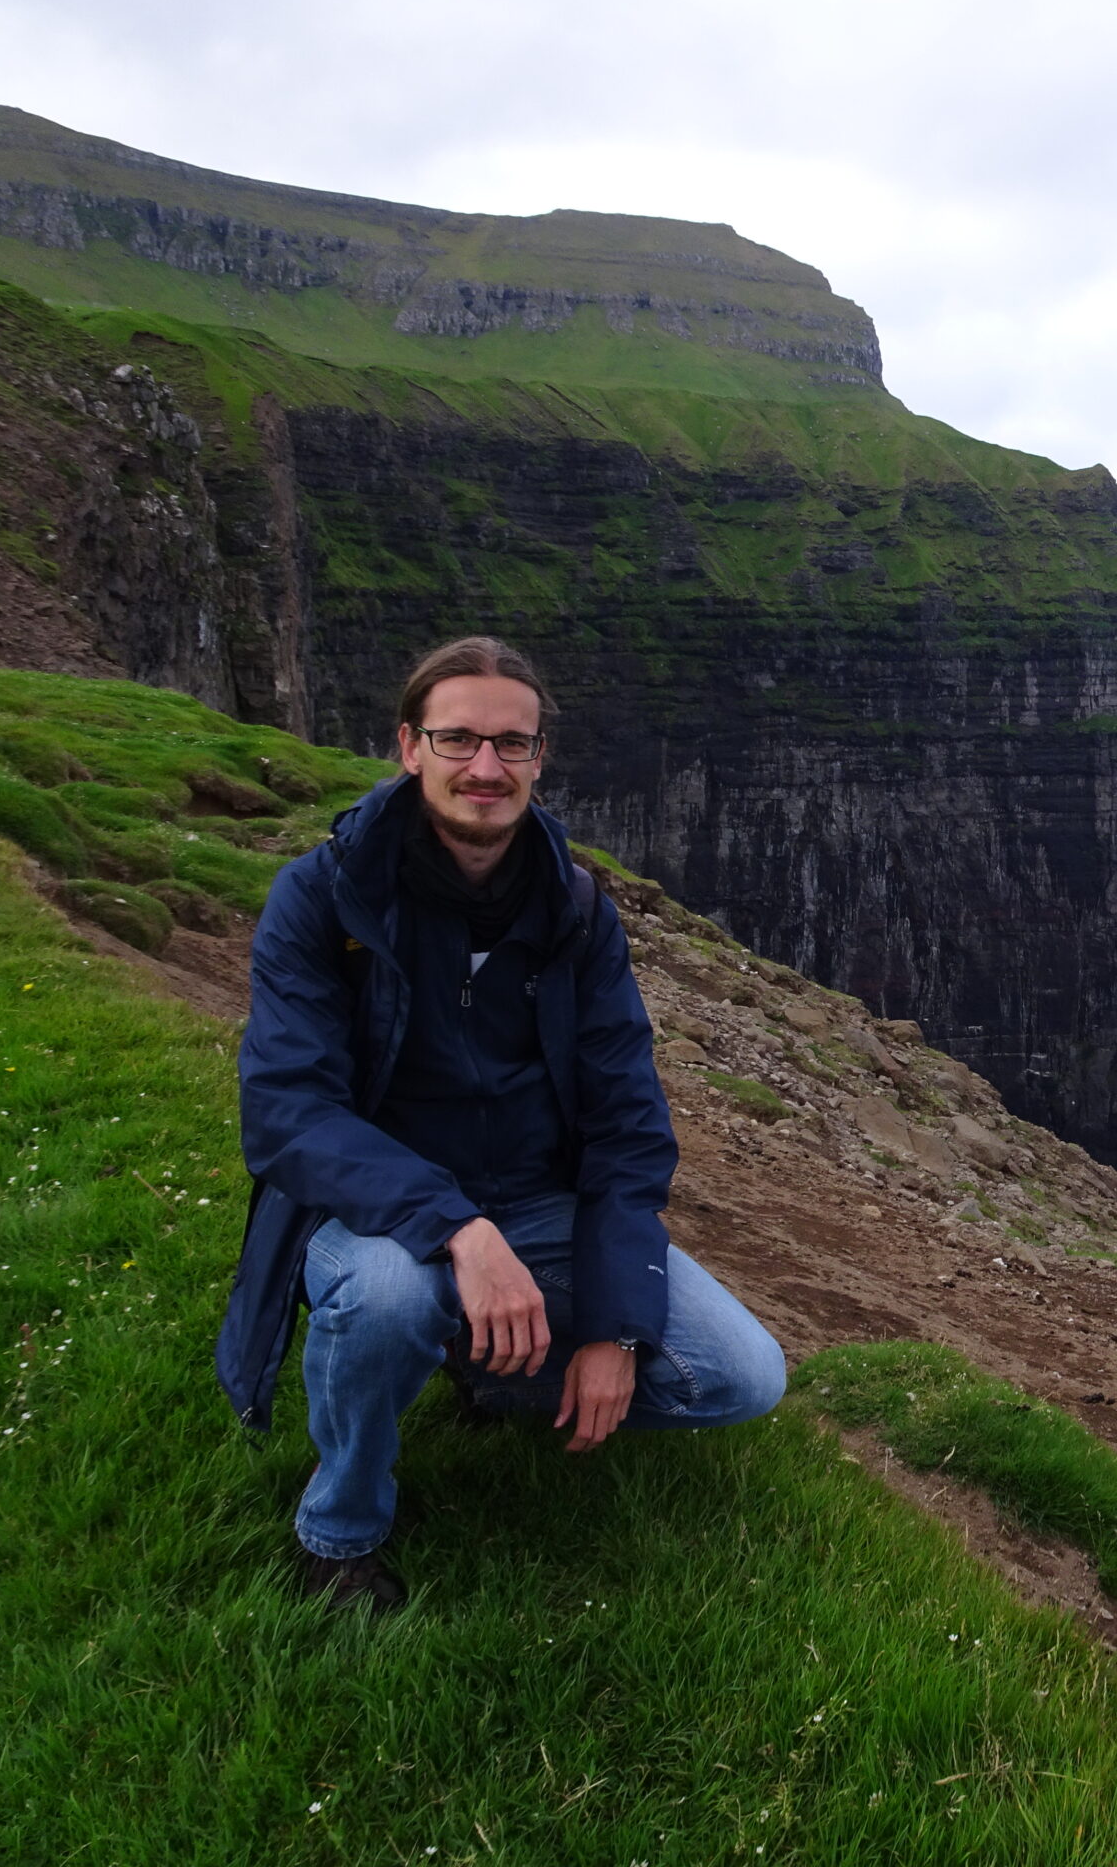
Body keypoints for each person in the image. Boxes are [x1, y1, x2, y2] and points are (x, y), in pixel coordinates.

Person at [215, 635, 786, 1611]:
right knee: (392, 1298)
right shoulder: (323, 896)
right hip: (380, 1209)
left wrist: (611, 1326)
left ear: (538, 758)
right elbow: (286, 1111)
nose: (485, 768)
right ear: (409, 747)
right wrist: (455, 1227)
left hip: (536, 1201)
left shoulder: (572, 909)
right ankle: (340, 1532)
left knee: (739, 1377)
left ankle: (491, 1371)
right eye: (458, 740)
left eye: (511, 745)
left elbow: (625, 1122)